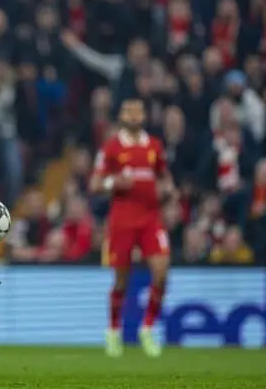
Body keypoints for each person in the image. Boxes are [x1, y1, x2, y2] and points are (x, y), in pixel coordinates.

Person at [90, 98, 176, 358]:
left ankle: (147, 328)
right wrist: (113, 183)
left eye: (139, 110)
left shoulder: (154, 145)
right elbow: (94, 184)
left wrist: (169, 188)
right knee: (121, 280)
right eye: (130, 111)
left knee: (161, 272)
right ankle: (113, 331)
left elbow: (163, 175)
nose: (135, 115)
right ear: (122, 115)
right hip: (123, 219)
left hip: (151, 218)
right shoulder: (112, 147)